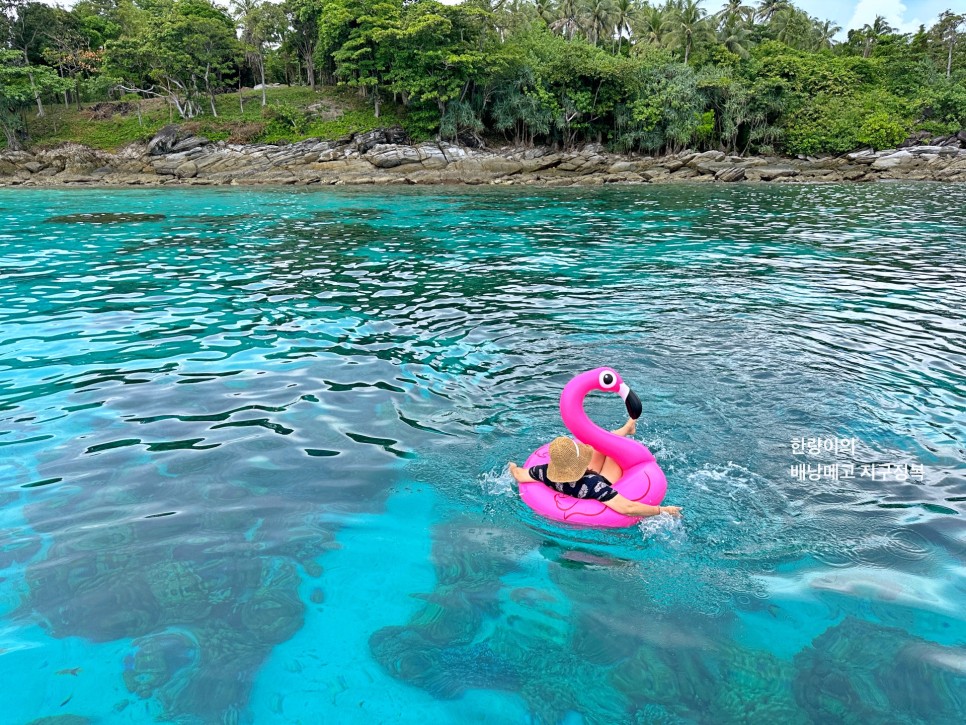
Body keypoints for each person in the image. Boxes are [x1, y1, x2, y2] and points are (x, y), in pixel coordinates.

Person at [508, 418, 682, 518]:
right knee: (615, 449)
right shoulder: (593, 485)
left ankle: (626, 428)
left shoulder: (544, 472)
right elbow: (627, 508)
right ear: (581, 463)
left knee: (603, 447)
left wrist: (513, 467)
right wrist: (662, 510)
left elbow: (519, 475)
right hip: (604, 480)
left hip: (576, 481)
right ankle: (626, 429)